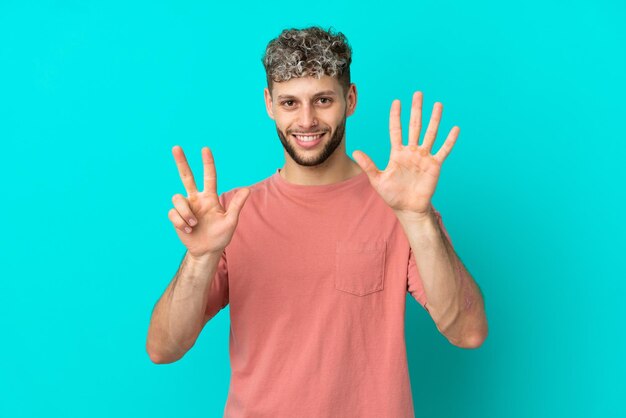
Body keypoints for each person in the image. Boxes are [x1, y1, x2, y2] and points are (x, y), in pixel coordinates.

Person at [146, 25, 488, 418]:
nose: (306, 120)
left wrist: (419, 218)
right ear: (269, 104)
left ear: (350, 98)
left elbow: (468, 331)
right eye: (289, 103)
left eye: (322, 99)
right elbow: (163, 348)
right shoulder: (229, 216)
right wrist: (200, 258)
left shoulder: (400, 209)